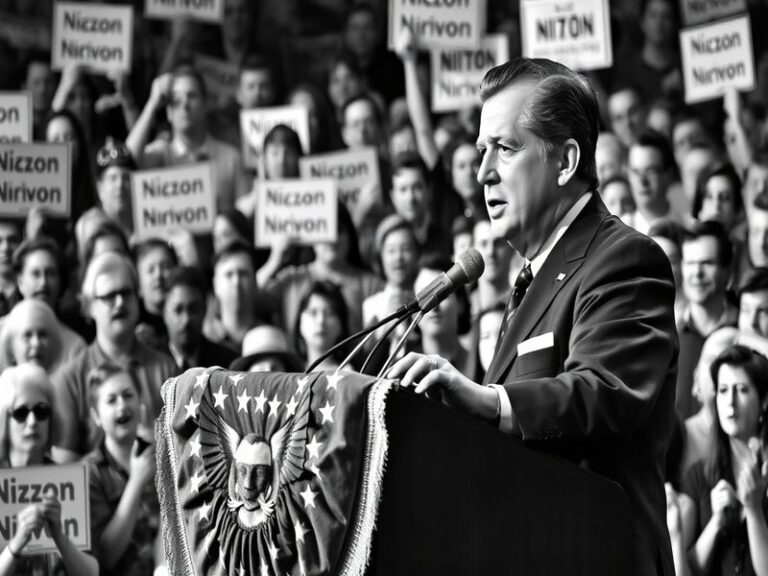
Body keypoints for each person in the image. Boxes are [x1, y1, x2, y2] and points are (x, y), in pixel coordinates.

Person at [388, 58, 677, 576]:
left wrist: (483, 399)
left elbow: (604, 392)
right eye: (481, 151)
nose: (483, 172)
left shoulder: (625, 260)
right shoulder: (532, 277)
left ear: (565, 162)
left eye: (505, 148)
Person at [51, 252, 176, 462]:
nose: (119, 302)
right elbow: (66, 468)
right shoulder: (69, 379)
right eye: (109, 296)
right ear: (89, 306)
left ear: (137, 298)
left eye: (126, 293)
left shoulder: (166, 370)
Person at [0, 364, 99, 576]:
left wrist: (60, 538)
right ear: (4, 421)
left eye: (41, 411)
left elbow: (92, 572)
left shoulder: (71, 481)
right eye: (20, 413)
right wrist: (15, 546)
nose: (32, 421)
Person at [682, 345, 768, 576]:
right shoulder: (699, 475)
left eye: (741, 390)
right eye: (722, 390)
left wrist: (753, 510)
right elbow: (687, 569)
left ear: (764, 401)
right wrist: (716, 523)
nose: (730, 401)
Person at [82, 364, 161, 576]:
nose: (122, 405)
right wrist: (136, 481)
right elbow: (106, 555)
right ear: (96, 416)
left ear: (141, 403)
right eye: (111, 400)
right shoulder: (88, 474)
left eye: (128, 395)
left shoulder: (163, 458)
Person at [163, 266, 238, 371]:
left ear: (205, 310)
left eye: (193, 310)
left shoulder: (228, 365)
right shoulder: (149, 365)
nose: (186, 320)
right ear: (164, 312)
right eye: (178, 310)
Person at [293, 280, 352, 371]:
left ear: (341, 324)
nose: (321, 321)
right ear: (299, 322)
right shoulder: (289, 375)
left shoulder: (351, 376)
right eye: (313, 312)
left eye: (330, 313)